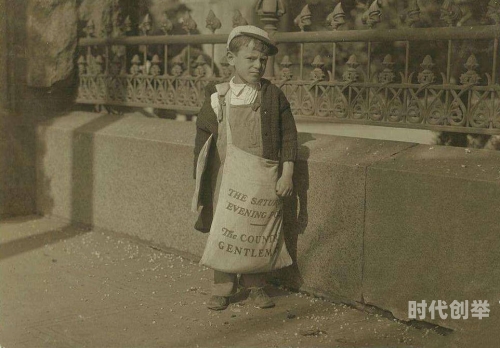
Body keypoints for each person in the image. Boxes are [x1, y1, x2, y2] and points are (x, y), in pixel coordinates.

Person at [193, 25, 298, 311]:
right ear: (231, 58)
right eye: (250, 59)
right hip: (227, 178)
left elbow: (289, 136)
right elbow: (203, 141)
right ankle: (222, 287)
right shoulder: (218, 97)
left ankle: (256, 286)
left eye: (262, 60)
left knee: (258, 228)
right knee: (226, 230)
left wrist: (287, 173)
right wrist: (201, 181)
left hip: (262, 176)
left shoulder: (273, 97)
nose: (257, 65)